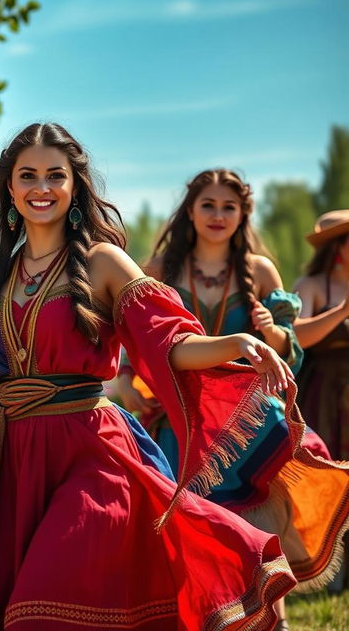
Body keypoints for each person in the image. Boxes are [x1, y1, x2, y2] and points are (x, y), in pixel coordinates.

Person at [0, 123, 298, 631]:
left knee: (42, 606)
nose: (42, 187)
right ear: (9, 189)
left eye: (55, 176)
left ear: (75, 186)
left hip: (90, 451)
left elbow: (168, 340)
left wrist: (233, 344)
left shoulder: (102, 262)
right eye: (28, 176)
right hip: (11, 462)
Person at [117, 169, 349, 628]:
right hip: (180, 420)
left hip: (250, 423)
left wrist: (273, 332)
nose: (218, 215)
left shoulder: (260, 271)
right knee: (188, 532)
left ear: (243, 214)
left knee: (258, 531)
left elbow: (292, 353)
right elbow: (132, 334)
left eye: (229, 207)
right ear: (190, 211)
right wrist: (125, 378)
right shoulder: (161, 268)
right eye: (208, 205)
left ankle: (273, 623)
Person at [293, 210, 349, 461]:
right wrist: (342, 312)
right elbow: (297, 337)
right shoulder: (310, 285)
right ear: (337, 246)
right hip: (323, 394)